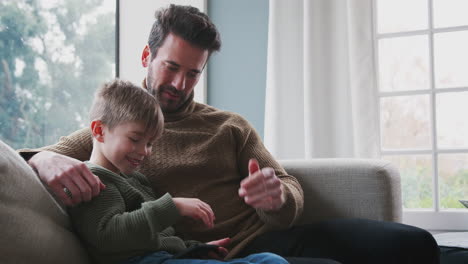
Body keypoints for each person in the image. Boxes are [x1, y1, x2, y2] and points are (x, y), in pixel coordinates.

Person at [19, 4, 439, 264]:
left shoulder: (229, 126)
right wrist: (42, 157)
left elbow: (288, 188)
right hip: (215, 255)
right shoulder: (121, 128)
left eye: (193, 73)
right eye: (171, 67)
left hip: (276, 234)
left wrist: (277, 196)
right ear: (147, 56)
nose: (180, 84)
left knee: (413, 245)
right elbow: (31, 158)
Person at [69, 78, 288, 264]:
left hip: (169, 258)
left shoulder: (135, 180)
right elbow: (109, 235)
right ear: (99, 131)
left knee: (270, 260)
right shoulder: (91, 179)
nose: (144, 151)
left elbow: (162, 237)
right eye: (135, 139)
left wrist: (195, 249)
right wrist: (172, 206)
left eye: (150, 143)